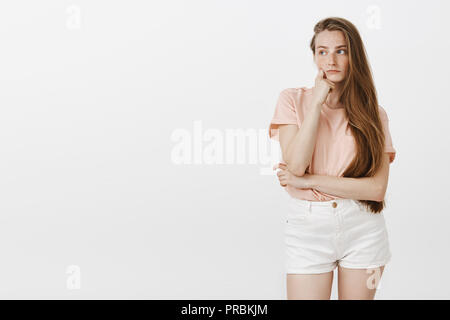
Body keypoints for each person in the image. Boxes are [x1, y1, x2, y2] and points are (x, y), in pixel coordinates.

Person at [268, 17, 397, 300]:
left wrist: (309, 180)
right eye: (322, 51)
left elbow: (375, 189)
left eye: (341, 51)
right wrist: (316, 103)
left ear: (354, 56)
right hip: (308, 227)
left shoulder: (375, 114)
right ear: (313, 56)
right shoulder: (292, 100)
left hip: (363, 226)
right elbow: (296, 164)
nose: (331, 60)